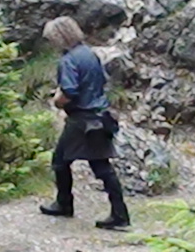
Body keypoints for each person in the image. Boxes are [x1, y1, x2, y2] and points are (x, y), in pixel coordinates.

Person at [39, 16, 130, 230]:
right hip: (100, 117)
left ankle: (65, 204)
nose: (51, 44)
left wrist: (57, 101)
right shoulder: (90, 54)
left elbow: (69, 91)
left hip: (82, 119)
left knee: (61, 161)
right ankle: (119, 213)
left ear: (60, 37)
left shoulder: (68, 60)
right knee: (101, 166)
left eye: (52, 39)